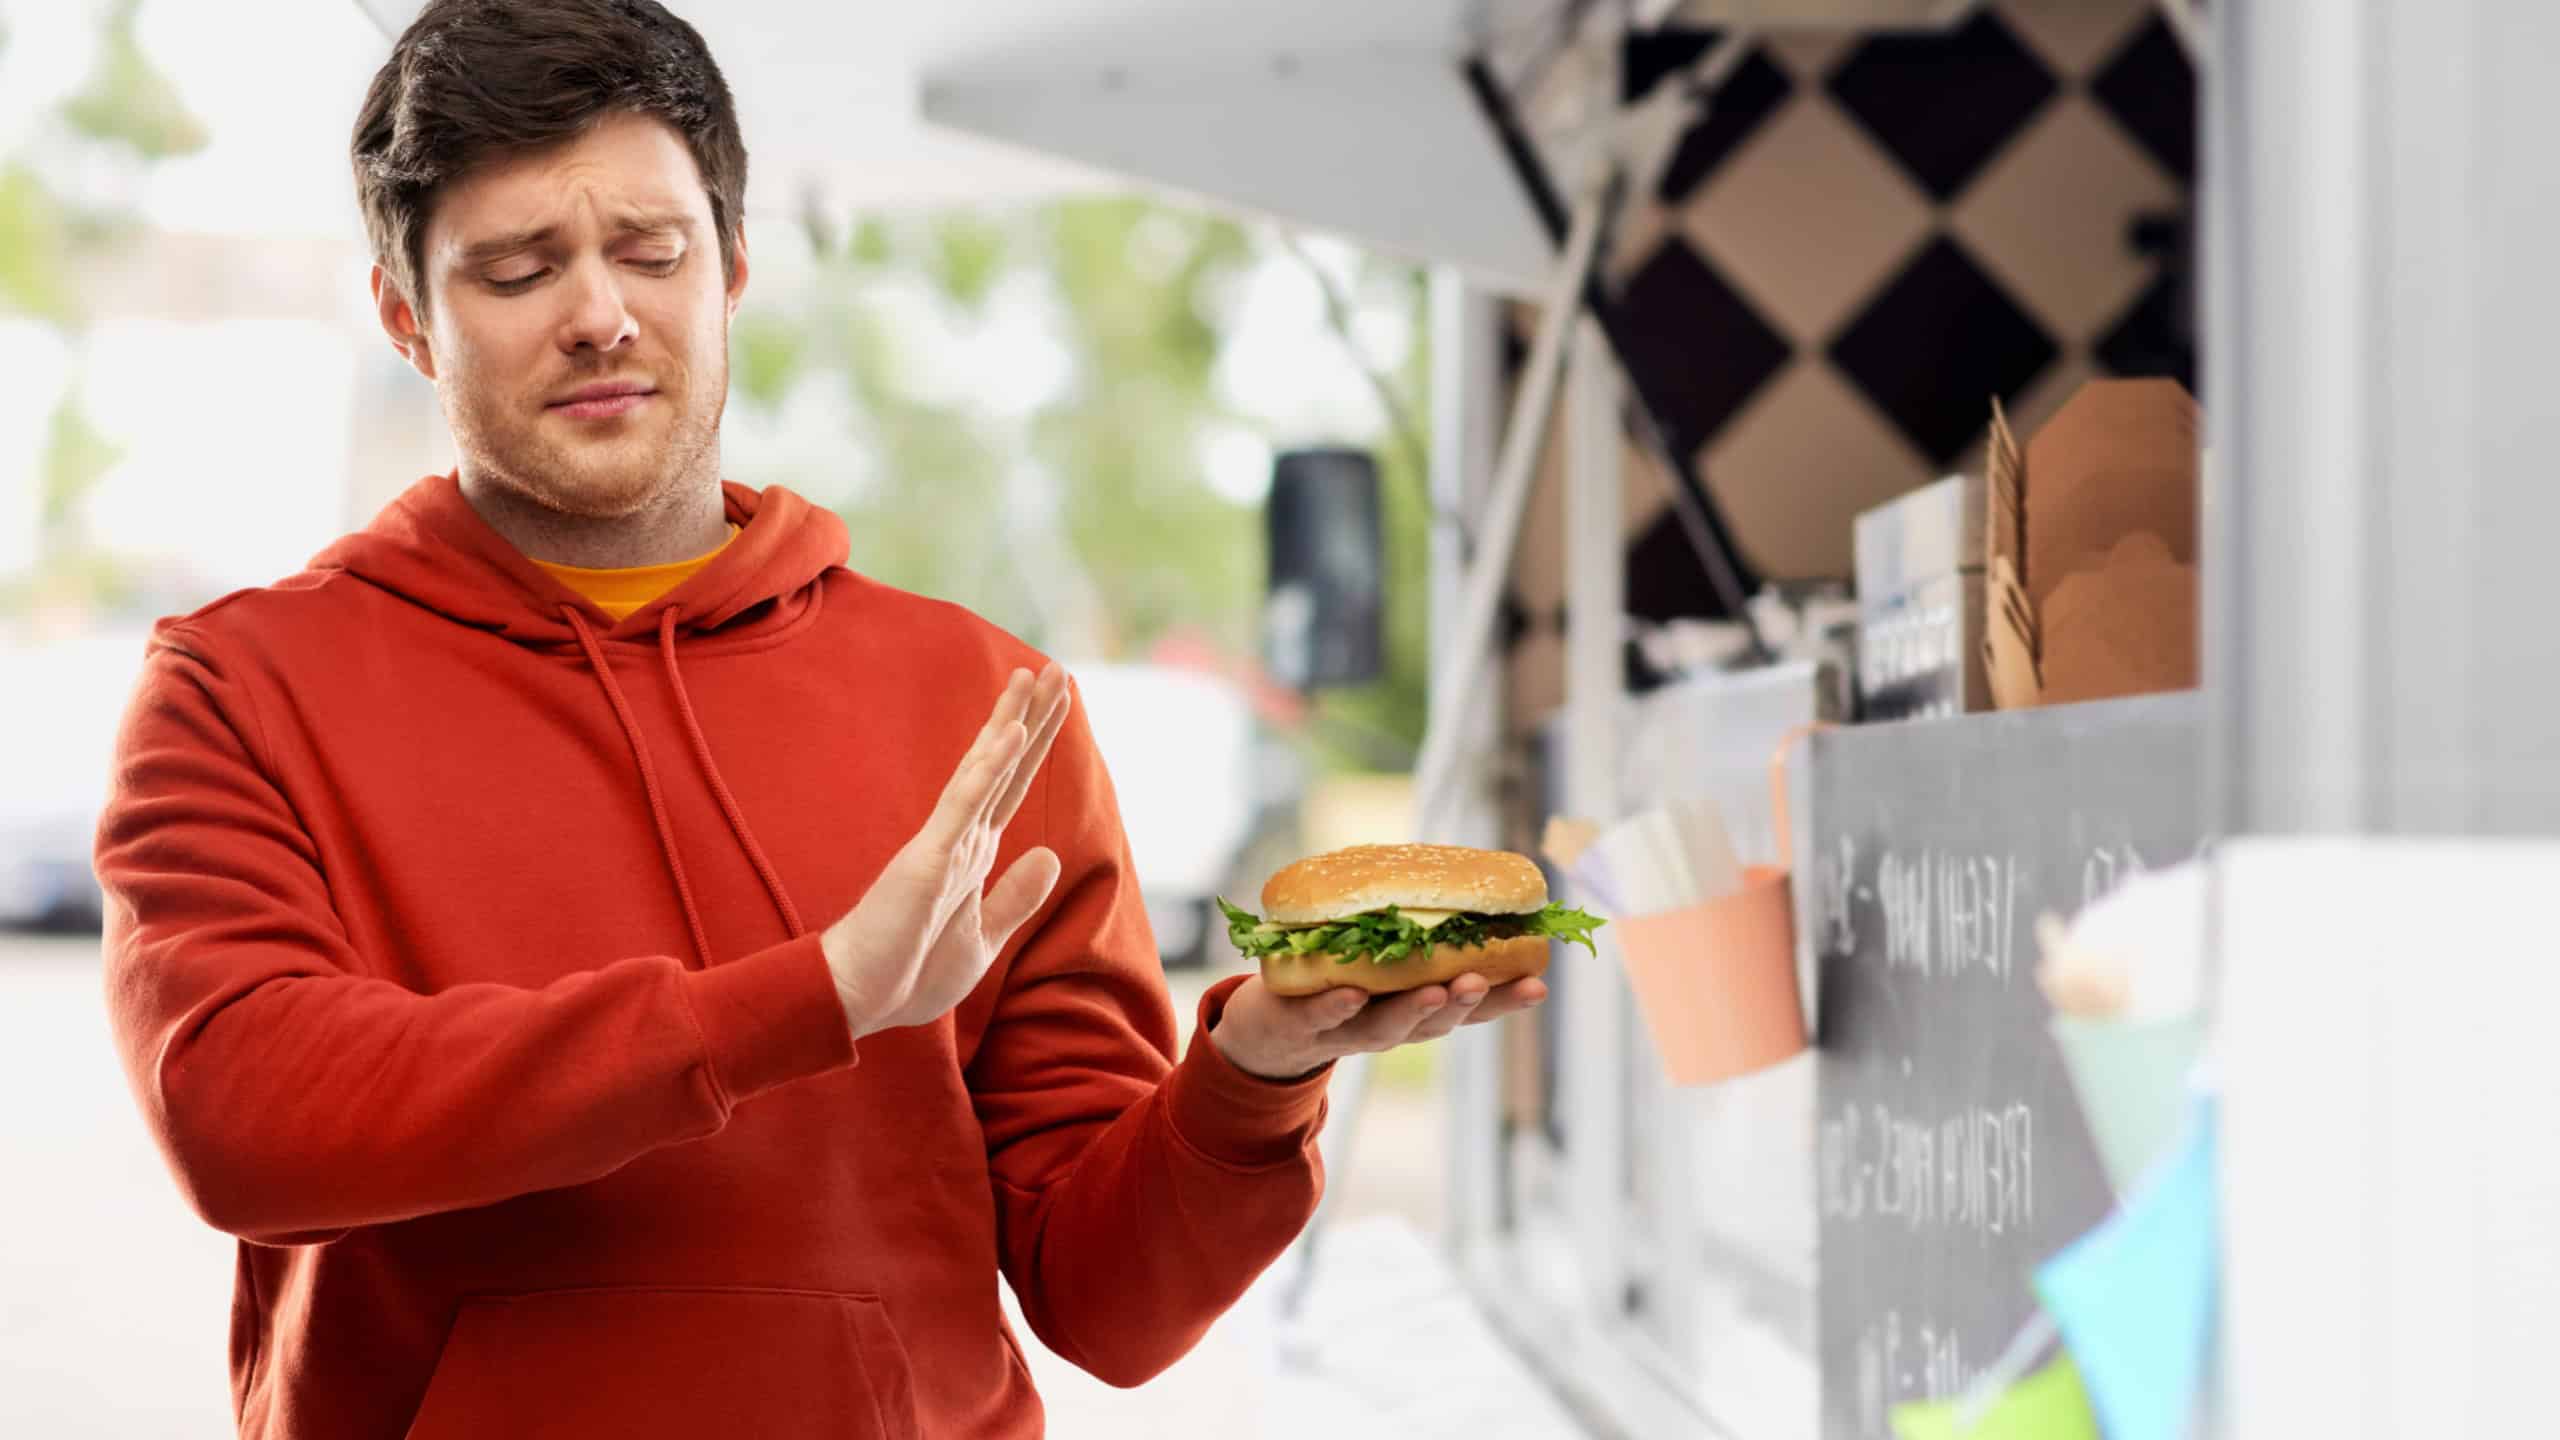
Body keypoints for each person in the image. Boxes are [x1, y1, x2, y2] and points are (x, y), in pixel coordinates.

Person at [88, 2, 1548, 1436]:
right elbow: (245, 1119)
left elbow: (1112, 1303)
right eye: (518, 269)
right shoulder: (244, 685)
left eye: (649, 251)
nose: (599, 314)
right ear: (408, 317)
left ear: (729, 267)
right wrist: (814, 998)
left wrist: (1253, 1079)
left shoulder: (984, 705)